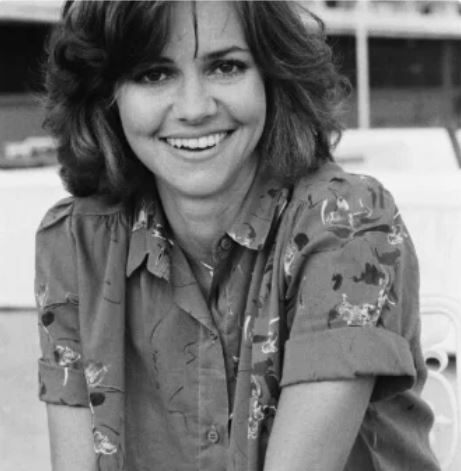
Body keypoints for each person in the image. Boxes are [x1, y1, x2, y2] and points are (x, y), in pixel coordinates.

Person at [35, 1, 440, 470]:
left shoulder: (347, 225)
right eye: (153, 74)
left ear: (273, 75)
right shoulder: (76, 243)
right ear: (106, 93)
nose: (194, 109)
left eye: (225, 67)